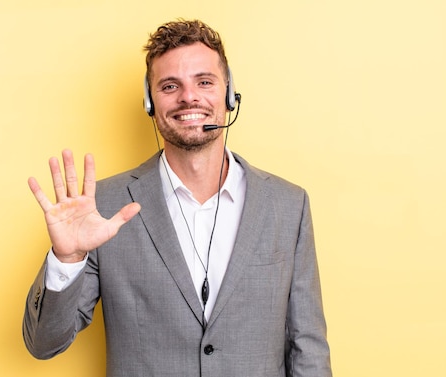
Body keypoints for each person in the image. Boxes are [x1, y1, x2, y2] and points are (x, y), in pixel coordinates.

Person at [23, 19, 332, 377]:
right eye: (170, 86)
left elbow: (307, 347)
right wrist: (68, 257)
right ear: (150, 102)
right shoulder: (104, 208)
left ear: (230, 94)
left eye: (204, 81)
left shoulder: (288, 205)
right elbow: (43, 344)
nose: (189, 97)